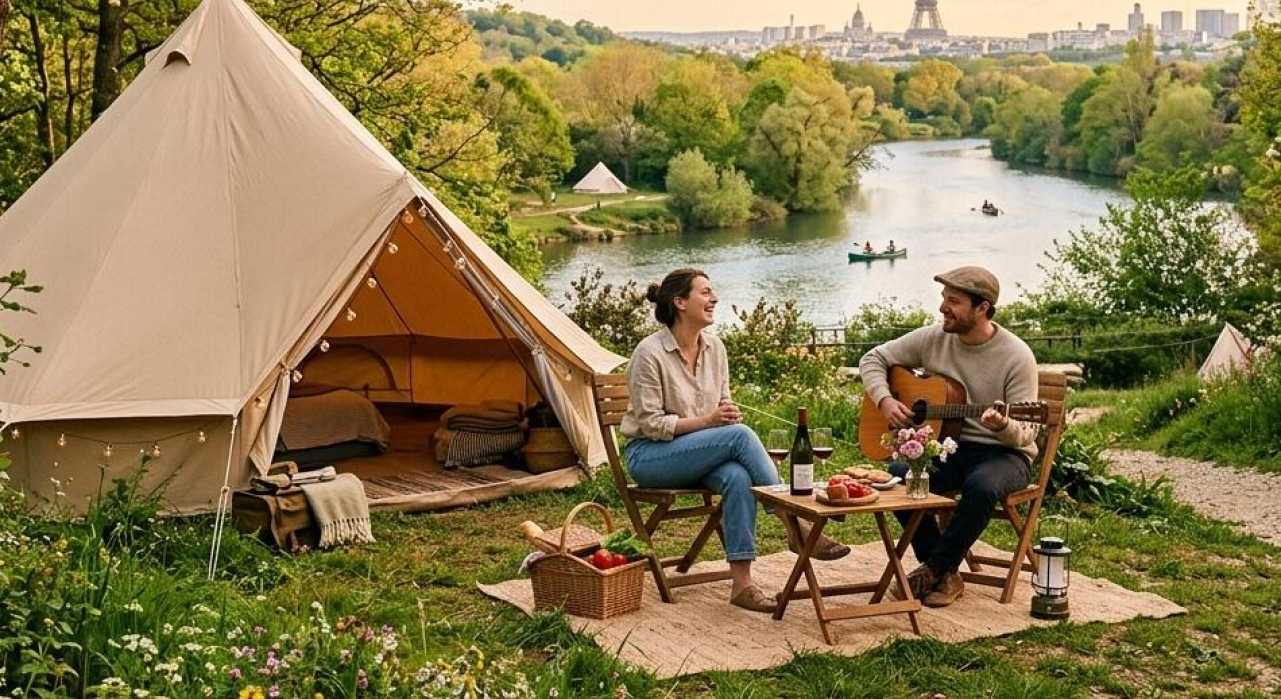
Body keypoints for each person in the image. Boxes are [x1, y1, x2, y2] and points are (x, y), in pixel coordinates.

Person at [622, 268, 850, 613]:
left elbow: (723, 405)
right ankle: (794, 520)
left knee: (738, 477)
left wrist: (722, 419)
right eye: (705, 292)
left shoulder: (715, 348)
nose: (713, 299)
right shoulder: (649, 353)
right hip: (652, 457)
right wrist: (712, 422)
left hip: (702, 453)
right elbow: (652, 425)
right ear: (680, 302)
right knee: (740, 436)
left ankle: (742, 585)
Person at [858, 266, 1039, 608]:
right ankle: (947, 574)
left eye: (953, 301)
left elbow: (1026, 432)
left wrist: (1002, 424)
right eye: (943, 298)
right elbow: (873, 358)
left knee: (981, 487)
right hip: (948, 448)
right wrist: (885, 400)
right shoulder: (934, 338)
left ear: (982, 307)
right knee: (898, 476)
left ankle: (934, 569)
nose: (943, 307)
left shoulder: (1016, 356)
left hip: (1005, 454)